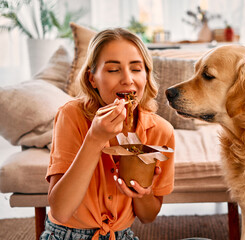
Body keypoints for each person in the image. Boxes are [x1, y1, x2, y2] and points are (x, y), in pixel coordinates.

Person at [40, 28, 175, 240]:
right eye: (113, 70)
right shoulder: (71, 116)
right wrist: (95, 138)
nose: (127, 79)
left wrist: (143, 193)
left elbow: (148, 217)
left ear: (147, 76)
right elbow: (60, 210)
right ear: (92, 78)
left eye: (137, 69)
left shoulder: (160, 131)